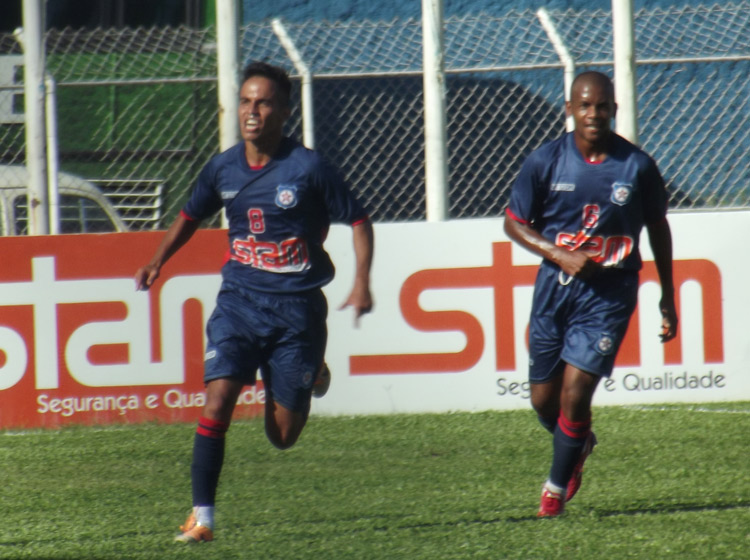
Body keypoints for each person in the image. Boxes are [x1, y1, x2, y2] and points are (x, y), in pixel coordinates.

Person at [135, 61, 374, 542]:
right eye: (246, 101)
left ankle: (311, 373)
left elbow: (360, 221)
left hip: (297, 313)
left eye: (263, 102)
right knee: (219, 396)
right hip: (239, 303)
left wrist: (362, 280)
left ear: (284, 111)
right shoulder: (222, 167)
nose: (252, 111)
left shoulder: (308, 168)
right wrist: (158, 260)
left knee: (281, 437)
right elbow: (189, 215)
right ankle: (202, 516)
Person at [503, 71, 677, 518]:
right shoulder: (545, 162)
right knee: (544, 400)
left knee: (576, 393)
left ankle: (553, 494)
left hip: (610, 293)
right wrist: (557, 254)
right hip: (555, 290)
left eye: (602, 106)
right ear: (569, 110)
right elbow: (514, 223)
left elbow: (658, 227)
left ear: (614, 110)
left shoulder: (636, 167)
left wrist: (667, 295)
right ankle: (578, 443)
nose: (593, 114)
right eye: (584, 106)